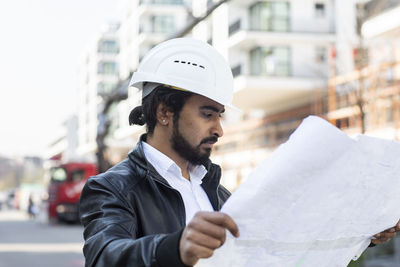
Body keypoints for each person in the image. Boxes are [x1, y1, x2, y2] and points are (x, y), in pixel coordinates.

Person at [79, 38, 399, 267]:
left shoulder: (216, 192)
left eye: (220, 114)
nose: (219, 129)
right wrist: (175, 248)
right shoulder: (112, 188)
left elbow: (275, 242)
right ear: (164, 112)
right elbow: (105, 254)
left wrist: (361, 231)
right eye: (208, 113)